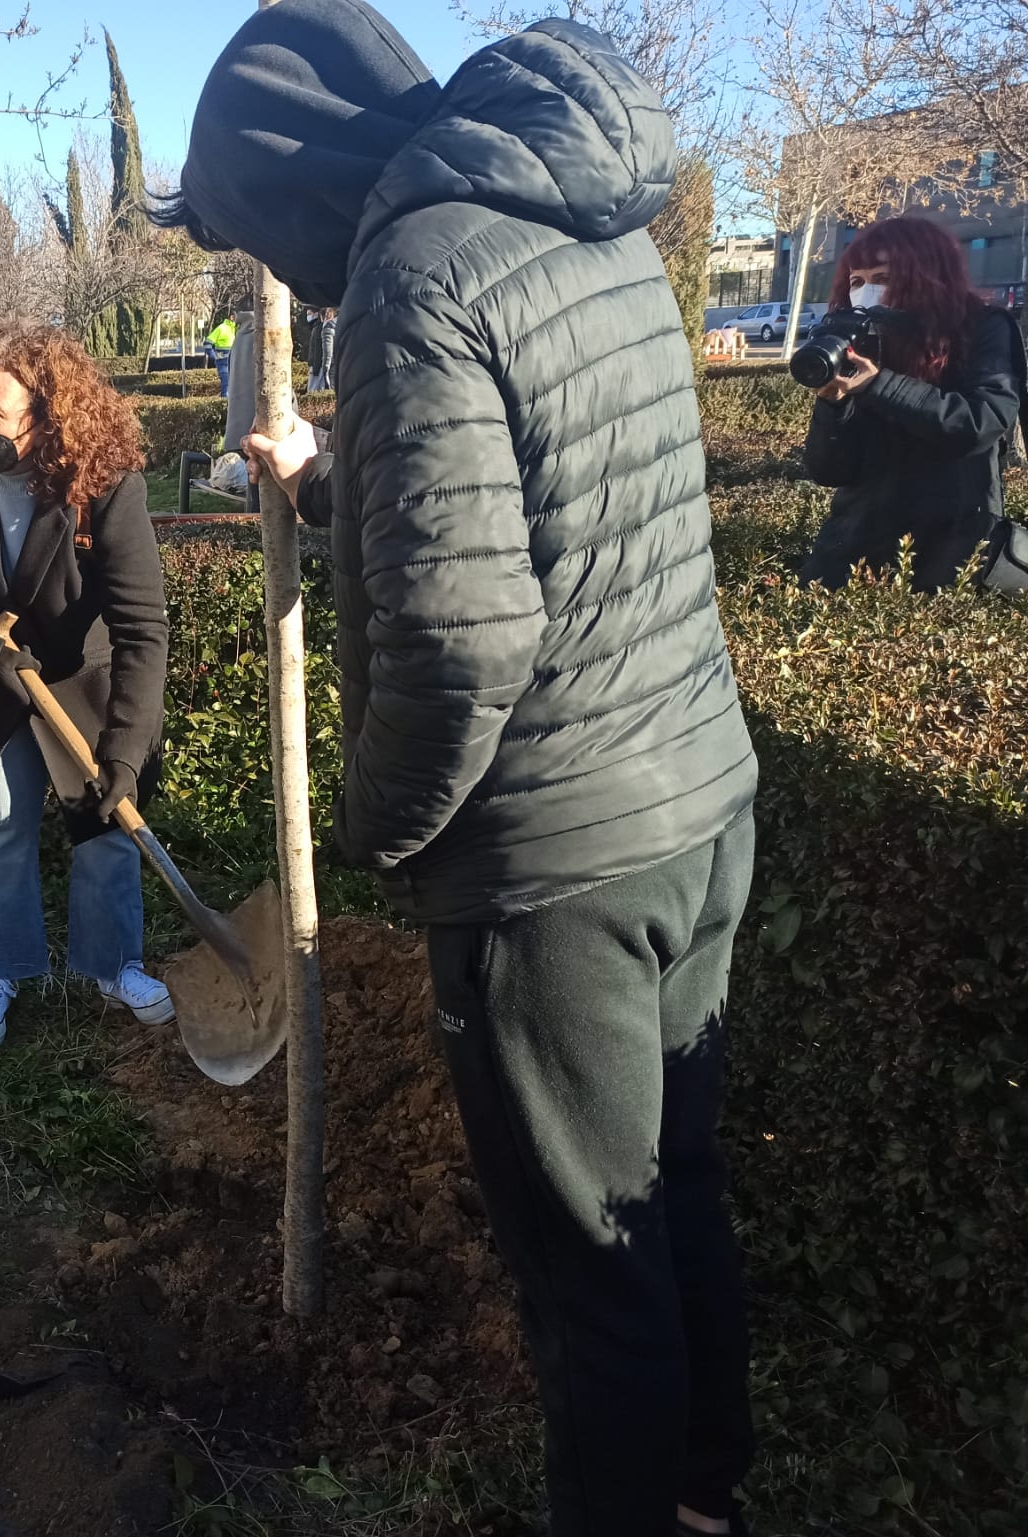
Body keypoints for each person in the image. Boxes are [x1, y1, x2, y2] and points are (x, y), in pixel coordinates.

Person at [159, 6, 761, 1536]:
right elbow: (548, 482)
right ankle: (704, 1495)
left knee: (588, 1270)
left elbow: (462, 635)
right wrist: (344, 463)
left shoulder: (411, 273)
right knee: (669, 1184)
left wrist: (383, 824)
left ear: (286, 184)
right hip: (694, 797)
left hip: (555, 864)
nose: (288, 278)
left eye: (258, 235)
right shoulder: (577, 214)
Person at [0, 321, 173, 1050]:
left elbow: (142, 625)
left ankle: (114, 963)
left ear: (45, 414)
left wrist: (126, 749)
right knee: (3, 813)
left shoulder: (102, 483)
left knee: (104, 815)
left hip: (80, 677)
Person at [798, 215, 1027, 593]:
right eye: (857, 281)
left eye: (883, 278)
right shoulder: (859, 340)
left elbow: (980, 422)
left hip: (950, 550)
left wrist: (879, 383)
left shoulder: (984, 327)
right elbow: (830, 471)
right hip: (855, 552)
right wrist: (833, 406)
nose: (866, 293)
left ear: (924, 276)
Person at [204, 312, 237, 395]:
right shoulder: (222, 328)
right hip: (223, 362)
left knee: (233, 387)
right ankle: (224, 405)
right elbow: (207, 343)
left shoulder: (236, 329)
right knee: (226, 386)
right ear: (232, 317)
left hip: (234, 362)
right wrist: (214, 356)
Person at [306, 307, 336, 391]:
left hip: (319, 365)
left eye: (309, 314)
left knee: (314, 390)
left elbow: (321, 351)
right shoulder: (319, 328)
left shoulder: (321, 328)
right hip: (320, 365)